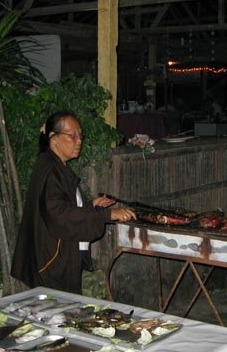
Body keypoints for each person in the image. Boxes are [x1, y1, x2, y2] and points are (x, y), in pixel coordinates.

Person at [11, 111, 136, 293]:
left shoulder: (53, 165)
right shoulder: (51, 170)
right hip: (51, 260)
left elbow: (59, 207)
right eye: (72, 135)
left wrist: (91, 205)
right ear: (53, 138)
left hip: (52, 255)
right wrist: (108, 214)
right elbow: (59, 214)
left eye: (80, 135)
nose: (79, 141)